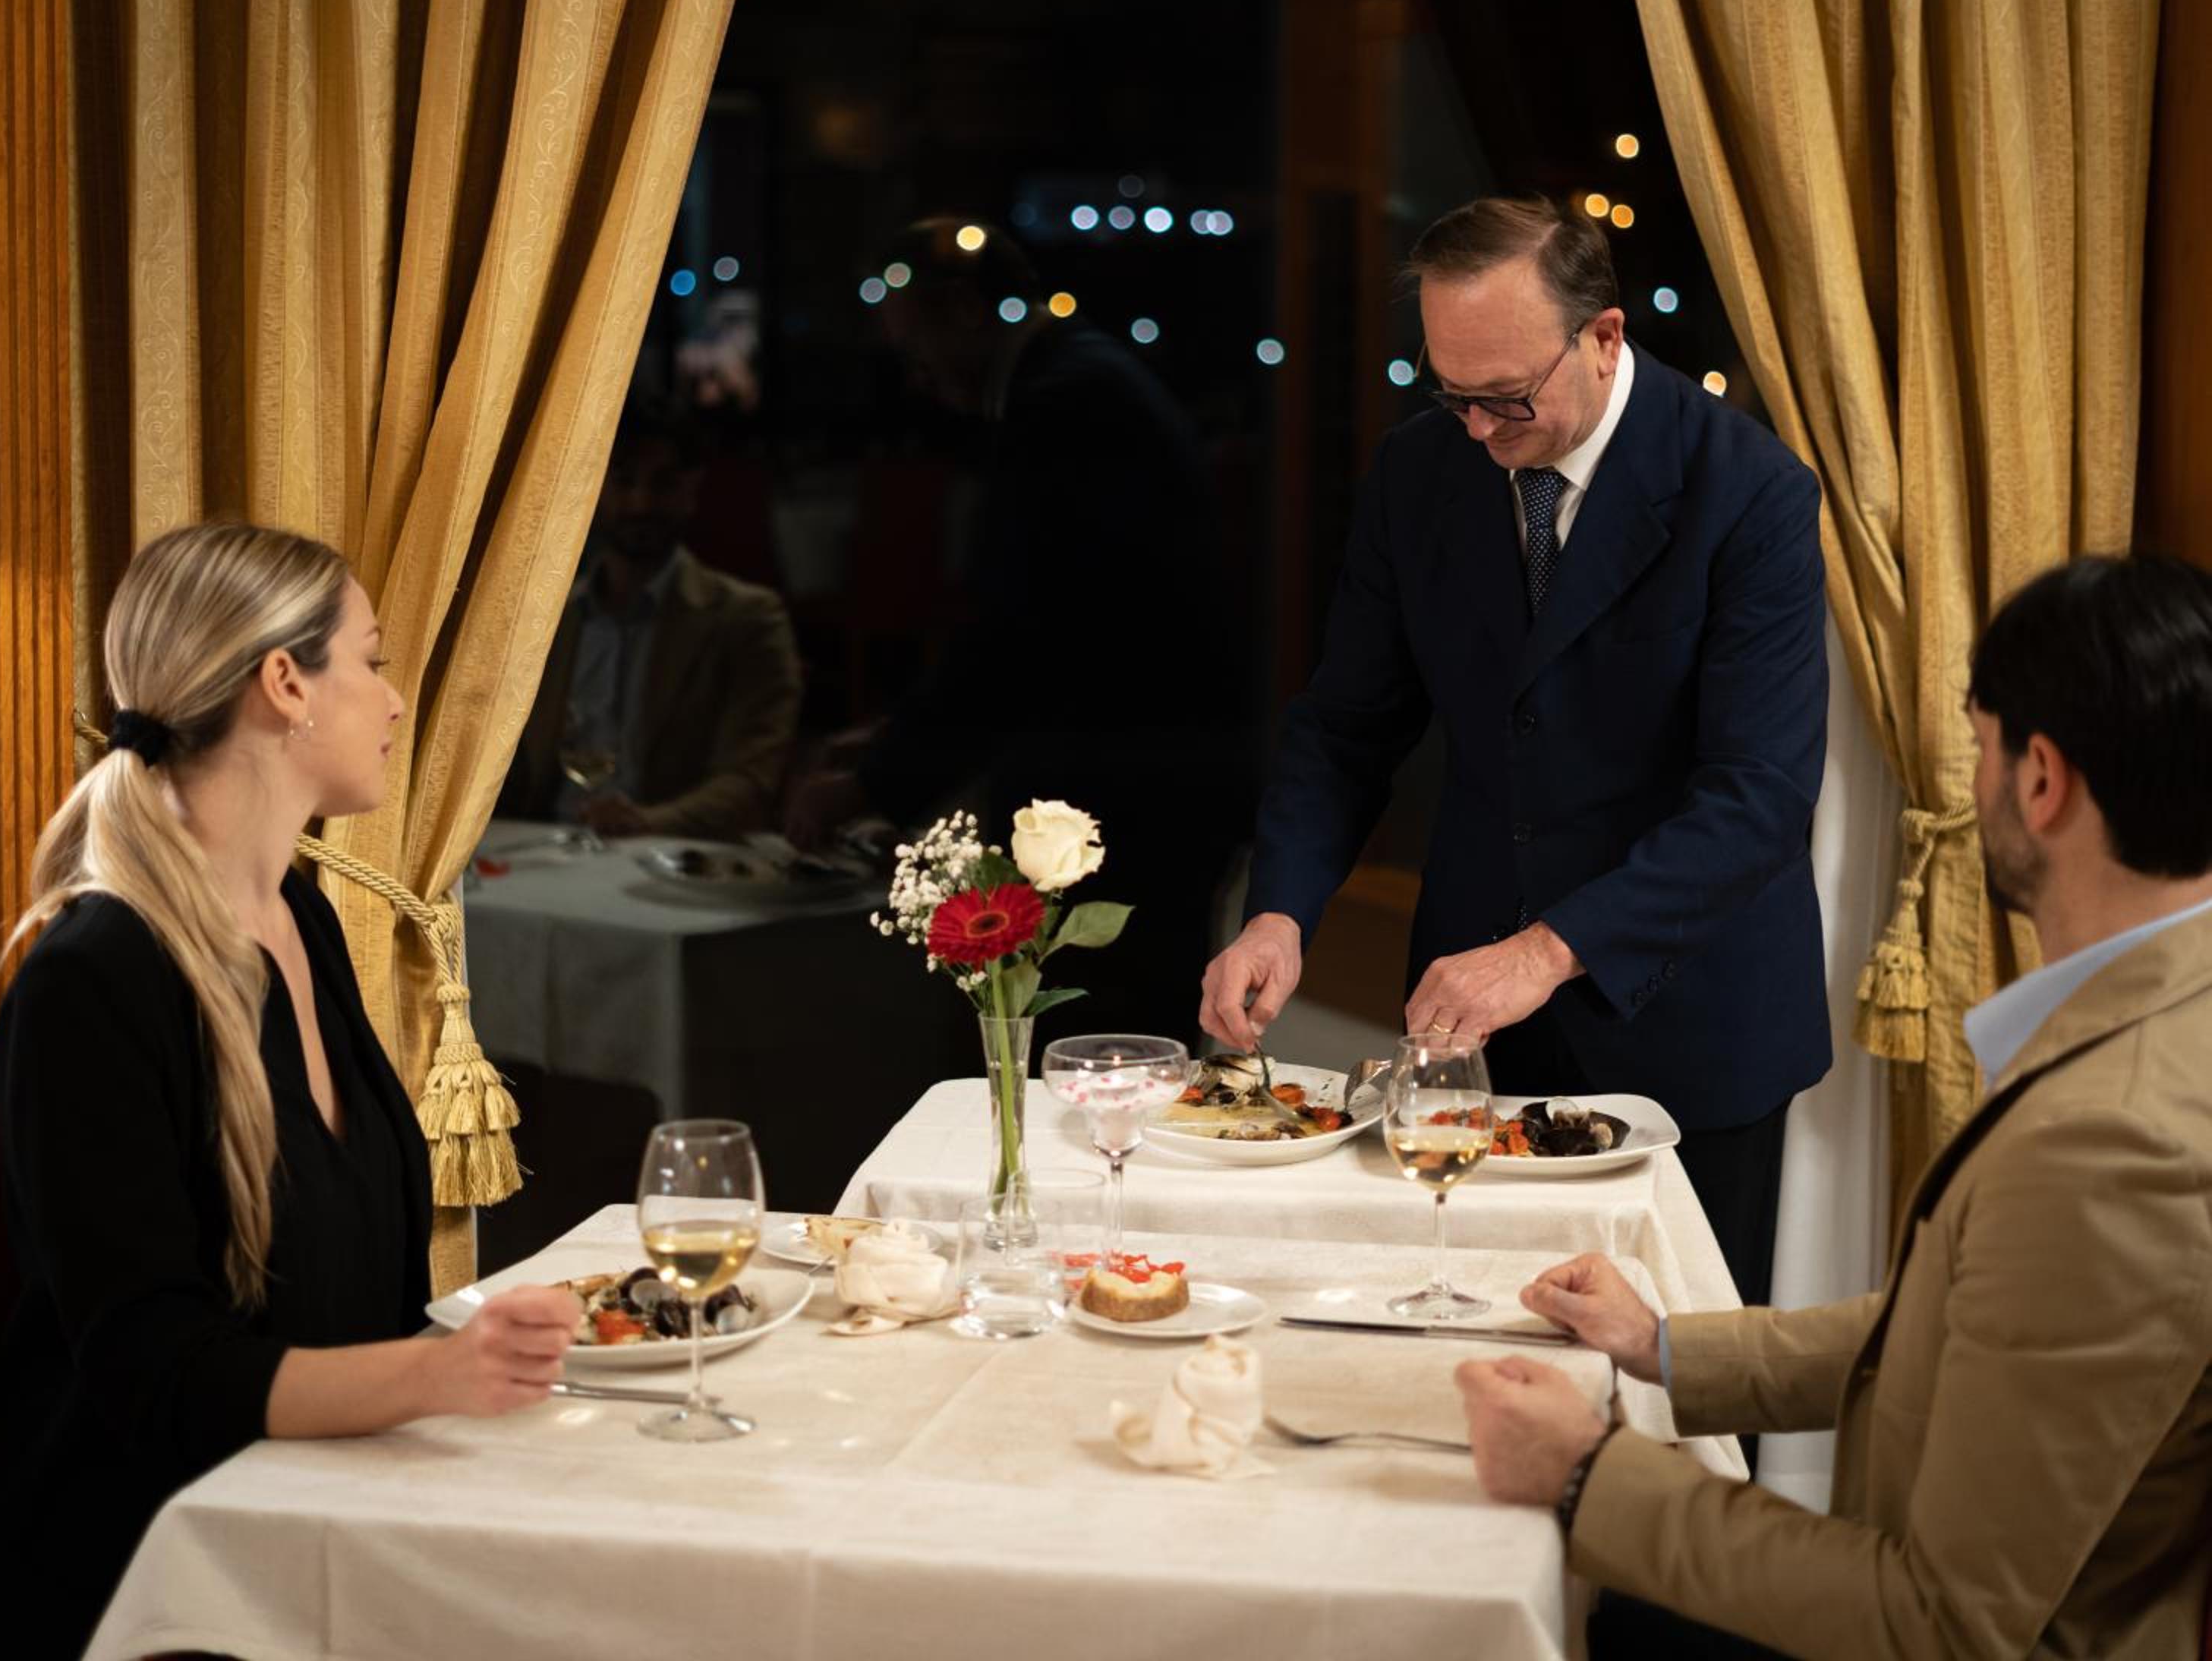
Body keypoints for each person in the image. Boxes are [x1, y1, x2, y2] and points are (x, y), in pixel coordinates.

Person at [1457, 554, 2212, 1658]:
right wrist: (1665, 1346)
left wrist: (1583, 1478)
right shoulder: (2166, 1017)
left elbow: (1939, 1625)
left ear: (2042, 780)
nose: (1974, 777)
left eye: (1980, 745)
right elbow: (1966, 1331)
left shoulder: (2113, 1141)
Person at [0, 523, 581, 1660]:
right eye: (372, 661)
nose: (395, 701)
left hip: (319, 1505)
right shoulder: (95, 979)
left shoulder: (304, 920)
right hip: (157, 1573)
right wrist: (438, 1373)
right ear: (285, 684)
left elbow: (354, 1281)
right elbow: (154, 1377)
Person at [1201, 195, 1829, 1305]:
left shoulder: (1749, 491)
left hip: (1690, 1022)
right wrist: (1279, 911)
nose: (1479, 431)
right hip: (1474, 1039)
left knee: (1680, 1368)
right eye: (1452, 396)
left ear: (1604, 337)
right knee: (1478, 1339)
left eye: (1505, 397)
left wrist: (1546, 953)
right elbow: (1347, 726)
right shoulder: (1419, 473)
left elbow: (1760, 799)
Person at [788, 216, 1251, 1038]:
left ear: (966, 311)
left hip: (1130, 788)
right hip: (1158, 769)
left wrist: (876, 782)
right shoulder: (1083, 379)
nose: (919, 381)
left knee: (1098, 1040)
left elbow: (1020, 635)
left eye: (916, 353)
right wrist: (896, 737)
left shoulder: (1067, 400)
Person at [499, 414, 803, 838]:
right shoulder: (542, 620)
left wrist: (647, 823)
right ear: (594, 486)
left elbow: (750, 781)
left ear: (691, 490)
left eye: (663, 484)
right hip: (546, 847)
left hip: (667, 855)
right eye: (624, 481)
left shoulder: (747, 619)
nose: (641, 504)